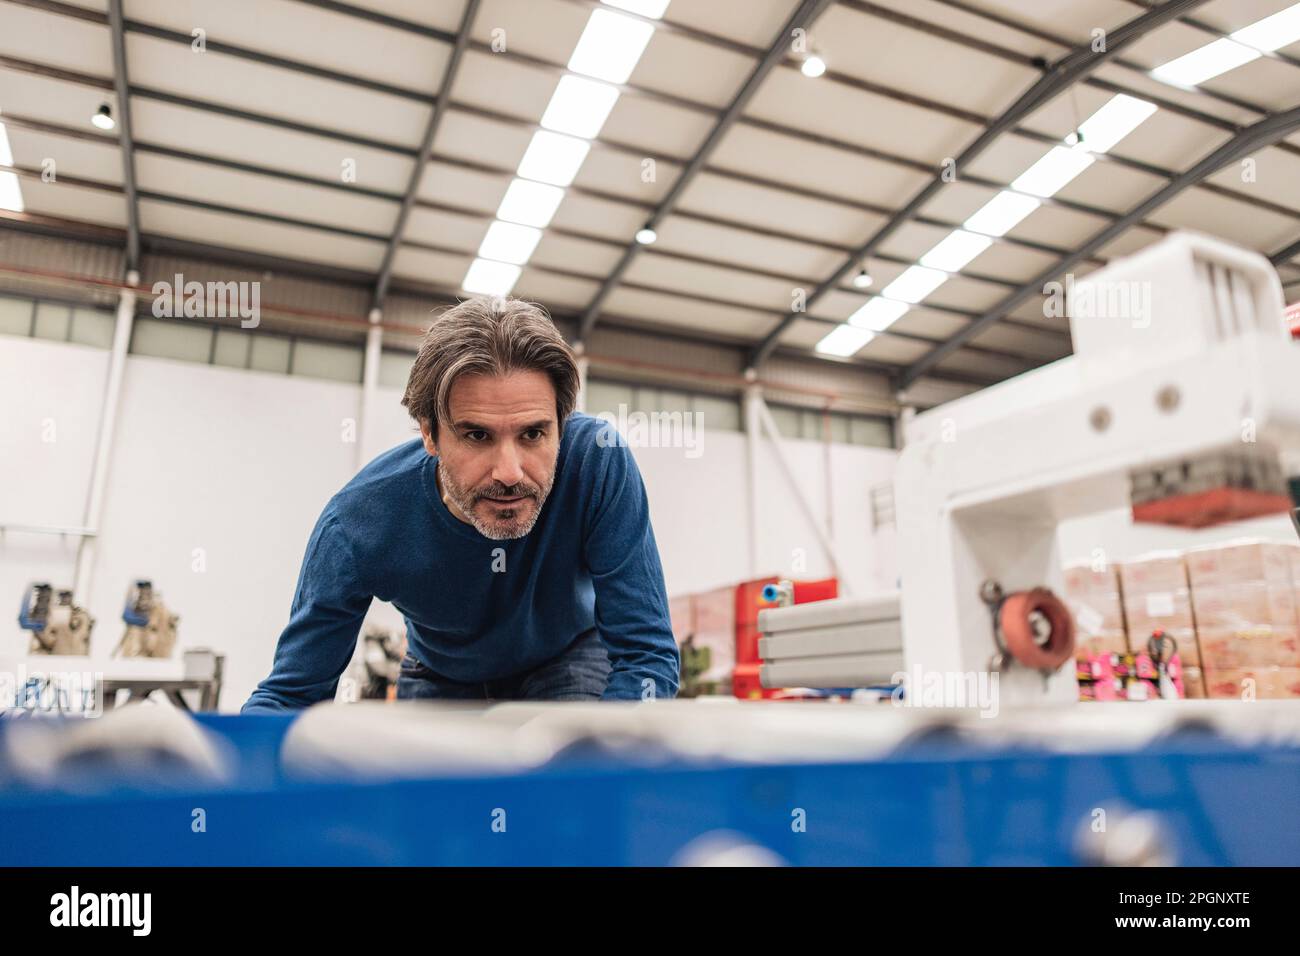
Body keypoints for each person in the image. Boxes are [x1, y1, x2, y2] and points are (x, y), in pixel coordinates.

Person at [241, 296, 679, 712]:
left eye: (533, 434)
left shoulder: (597, 462)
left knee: (569, 778)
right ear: (429, 434)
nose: (510, 472)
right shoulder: (359, 522)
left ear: (560, 427)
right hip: (439, 674)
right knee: (431, 791)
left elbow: (646, 656)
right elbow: (291, 695)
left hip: (569, 659)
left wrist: (603, 765)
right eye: (476, 435)